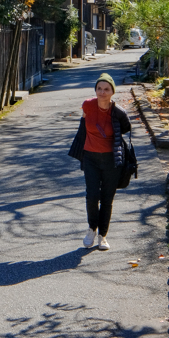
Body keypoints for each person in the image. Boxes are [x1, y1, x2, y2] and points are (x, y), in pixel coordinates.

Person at [67, 72, 132, 251]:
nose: (102, 92)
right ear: (95, 90)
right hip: (90, 157)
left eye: (106, 89)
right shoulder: (87, 105)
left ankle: (103, 235)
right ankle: (91, 229)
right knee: (92, 196)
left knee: (107, 198)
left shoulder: (118, 112)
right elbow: (83, 125)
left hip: (112, 159)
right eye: (99, 88)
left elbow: (127, 127)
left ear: (112, 92)